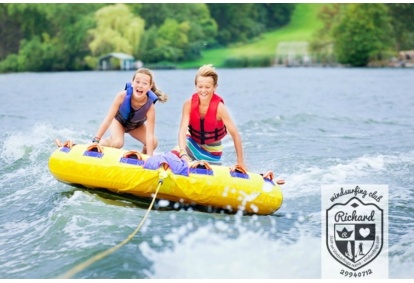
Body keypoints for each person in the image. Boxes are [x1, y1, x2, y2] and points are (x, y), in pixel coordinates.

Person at [177, 64, 246, 170]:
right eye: (200, 87)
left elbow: (235, 134)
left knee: (204, 169)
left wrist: (240, 162)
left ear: (215, 87)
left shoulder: (220, 108)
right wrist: (183, 153)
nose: (203, 90)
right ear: (196, 86)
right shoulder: (188, 104)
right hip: (192, 143)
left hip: (212, 151)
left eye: (207, 87)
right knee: (175, 155)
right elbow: (182, 131)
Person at [92, 68, 168, 156]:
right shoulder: (122, 96)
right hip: (119, 122)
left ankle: (143, 156)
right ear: (132, 83)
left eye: (145, 83)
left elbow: (149, 135)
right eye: (137, 82)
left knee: (153, 142)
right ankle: (103, 142)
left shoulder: (150, 107)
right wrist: (96, 140)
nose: (140, 85)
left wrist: (150, 157)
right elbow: (108, 120)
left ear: (149, 87)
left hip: (135, 127)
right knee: (118, 143)